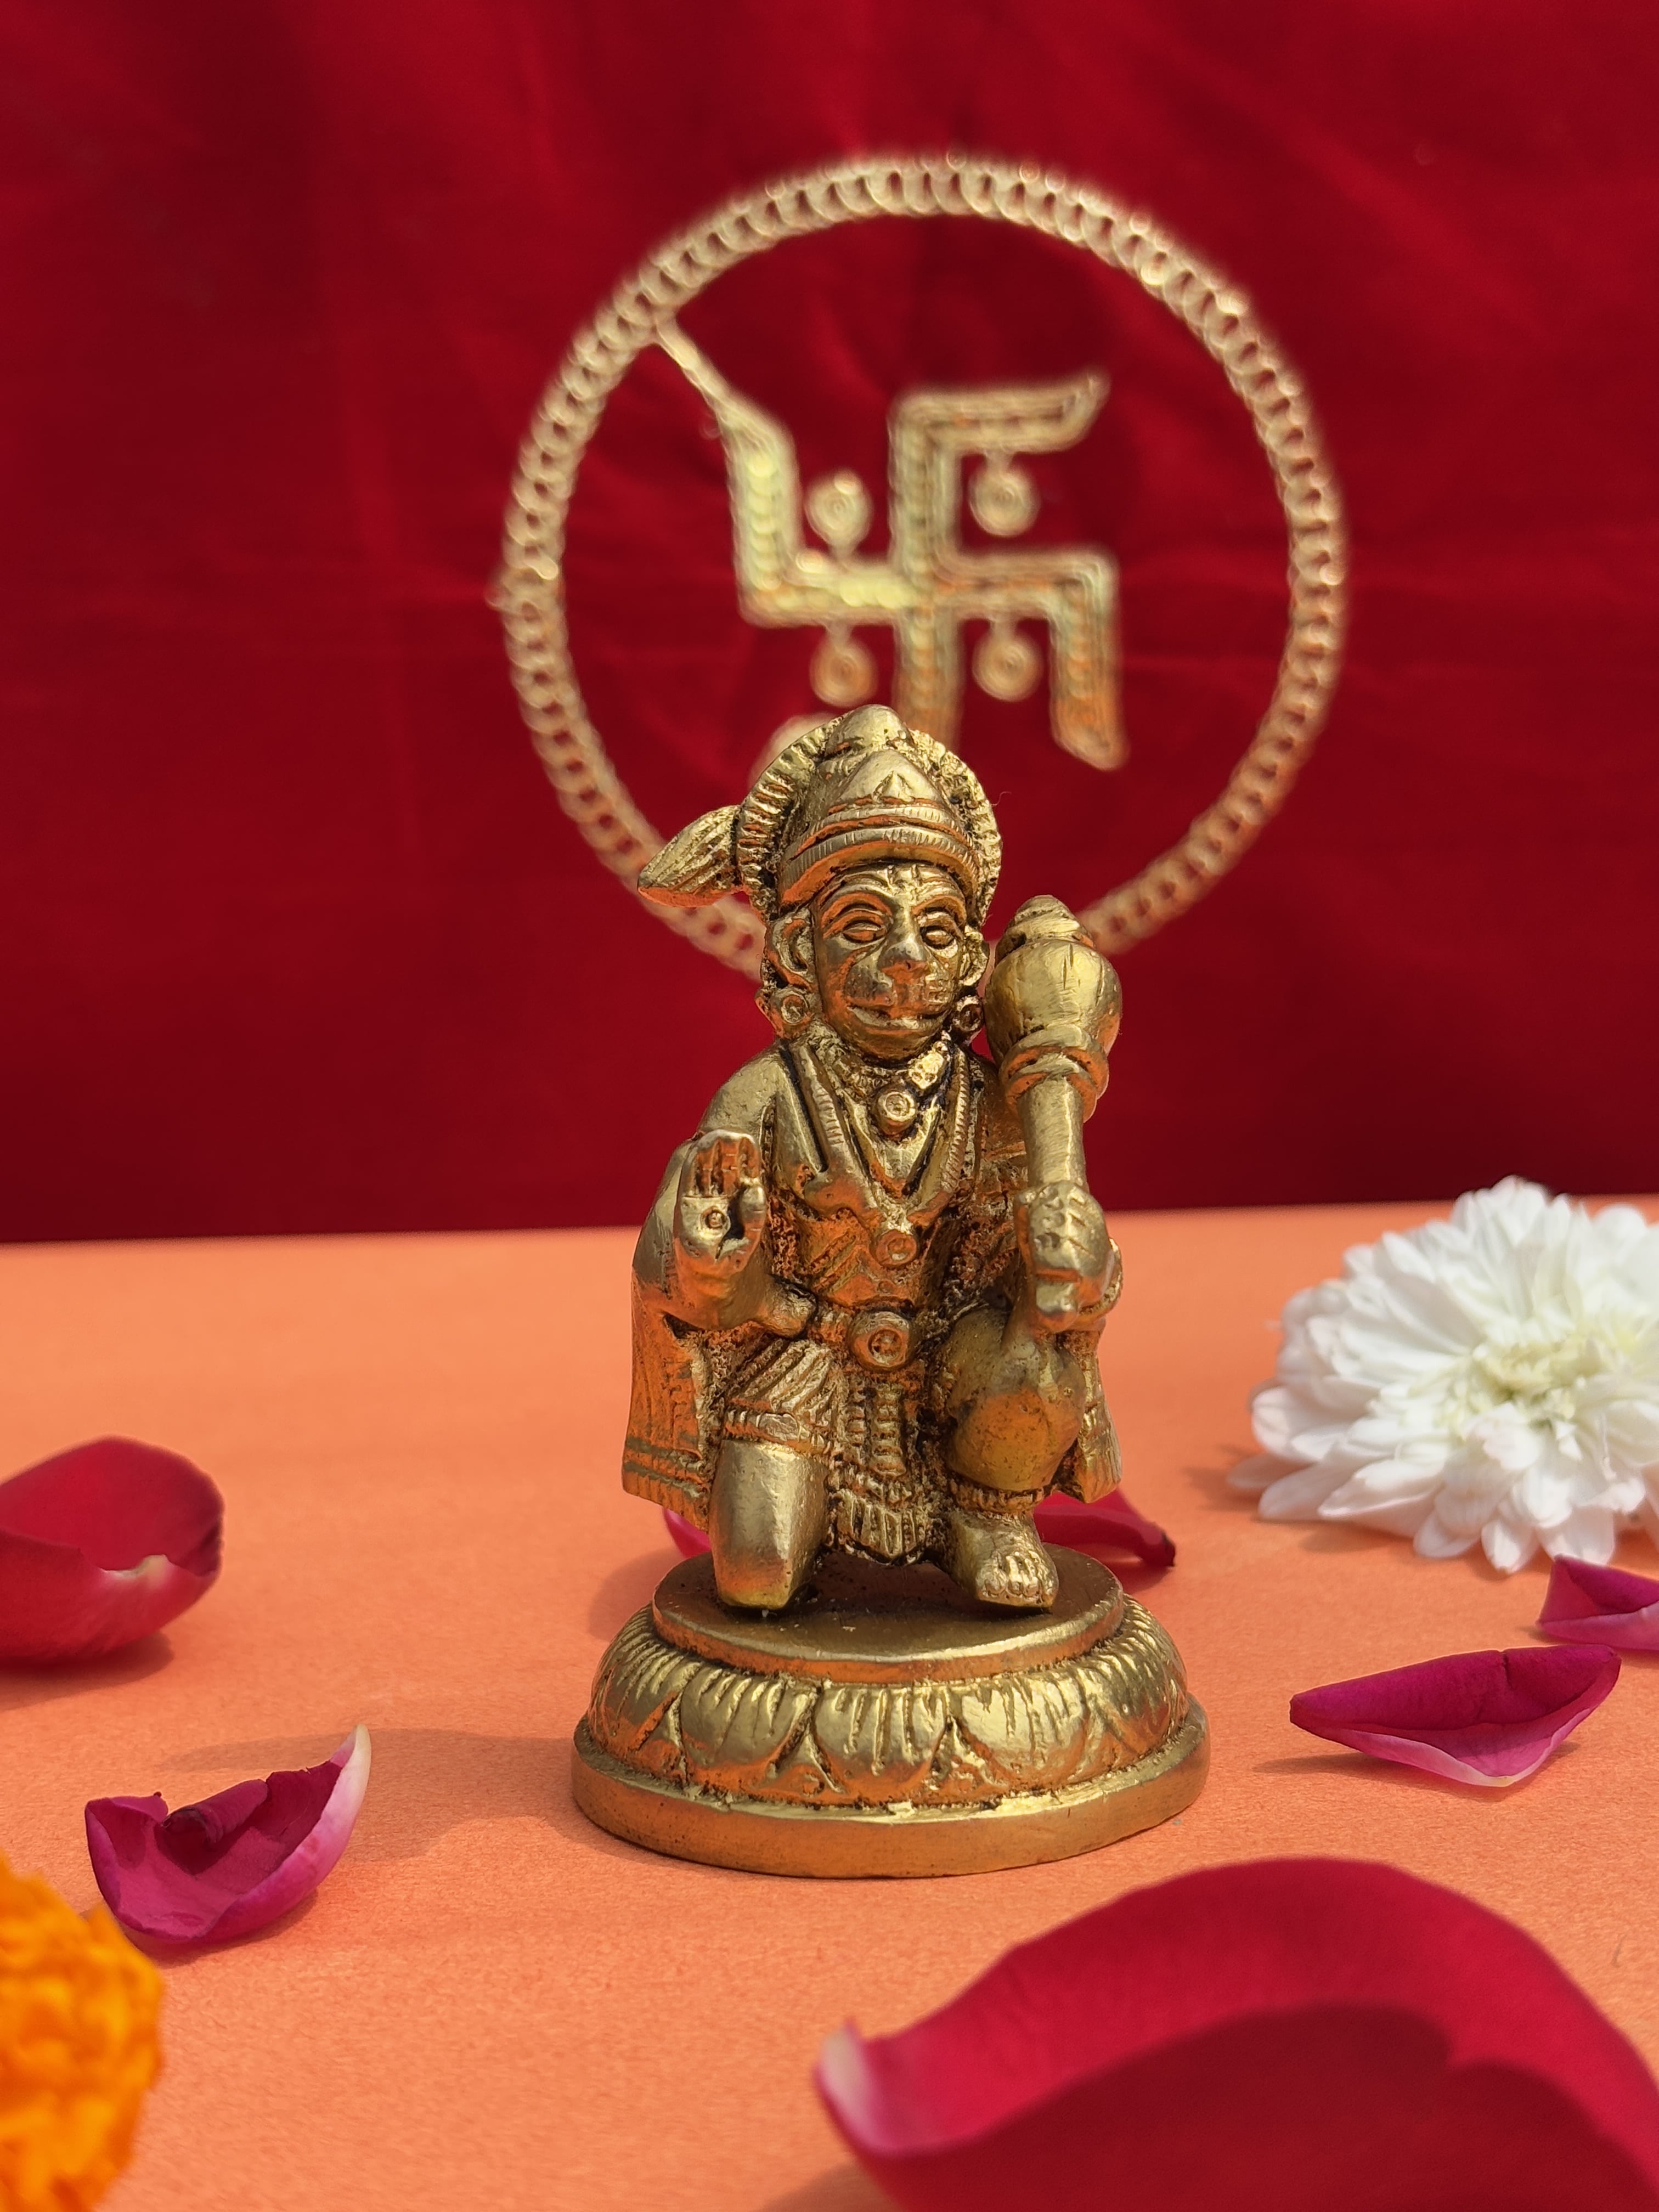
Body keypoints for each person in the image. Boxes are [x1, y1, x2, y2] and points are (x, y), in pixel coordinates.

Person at [622, 704, 1121, 1612]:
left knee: (1043, 1348)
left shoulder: (996, 1106)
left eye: (934, 933)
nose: (902, 964)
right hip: (807, 1357)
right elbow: (683, 1268)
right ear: (797, 952)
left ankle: (989, 1513)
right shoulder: (765, 1096)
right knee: (757, 1577)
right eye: (861, 927)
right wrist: (701, 1258)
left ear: (973, 961)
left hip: (955, 1365)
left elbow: (1030, 1271)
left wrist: (1075, 1269)